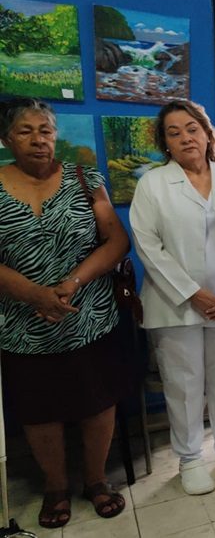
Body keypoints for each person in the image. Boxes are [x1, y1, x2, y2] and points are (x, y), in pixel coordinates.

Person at [0, 98, 130, 528]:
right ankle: (55, 487)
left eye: (46, 130)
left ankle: (96, 480)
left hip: (88, 315)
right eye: (26, 131)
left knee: (98, 401)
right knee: (39, 409)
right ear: (6, 139)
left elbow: (116, 241)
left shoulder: (85, 178)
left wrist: (71, 283)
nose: (38, 139)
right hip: (22, 323)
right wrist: (35, 295)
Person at [129, 99, 215, 495]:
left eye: (192, 129)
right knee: (183, 385)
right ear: (165, 144)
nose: (186, 138)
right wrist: (193, 293)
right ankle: (189, 459)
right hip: (176, 305)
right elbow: (148, 246)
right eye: (174, 133)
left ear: (208, 135)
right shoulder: (153, 185)